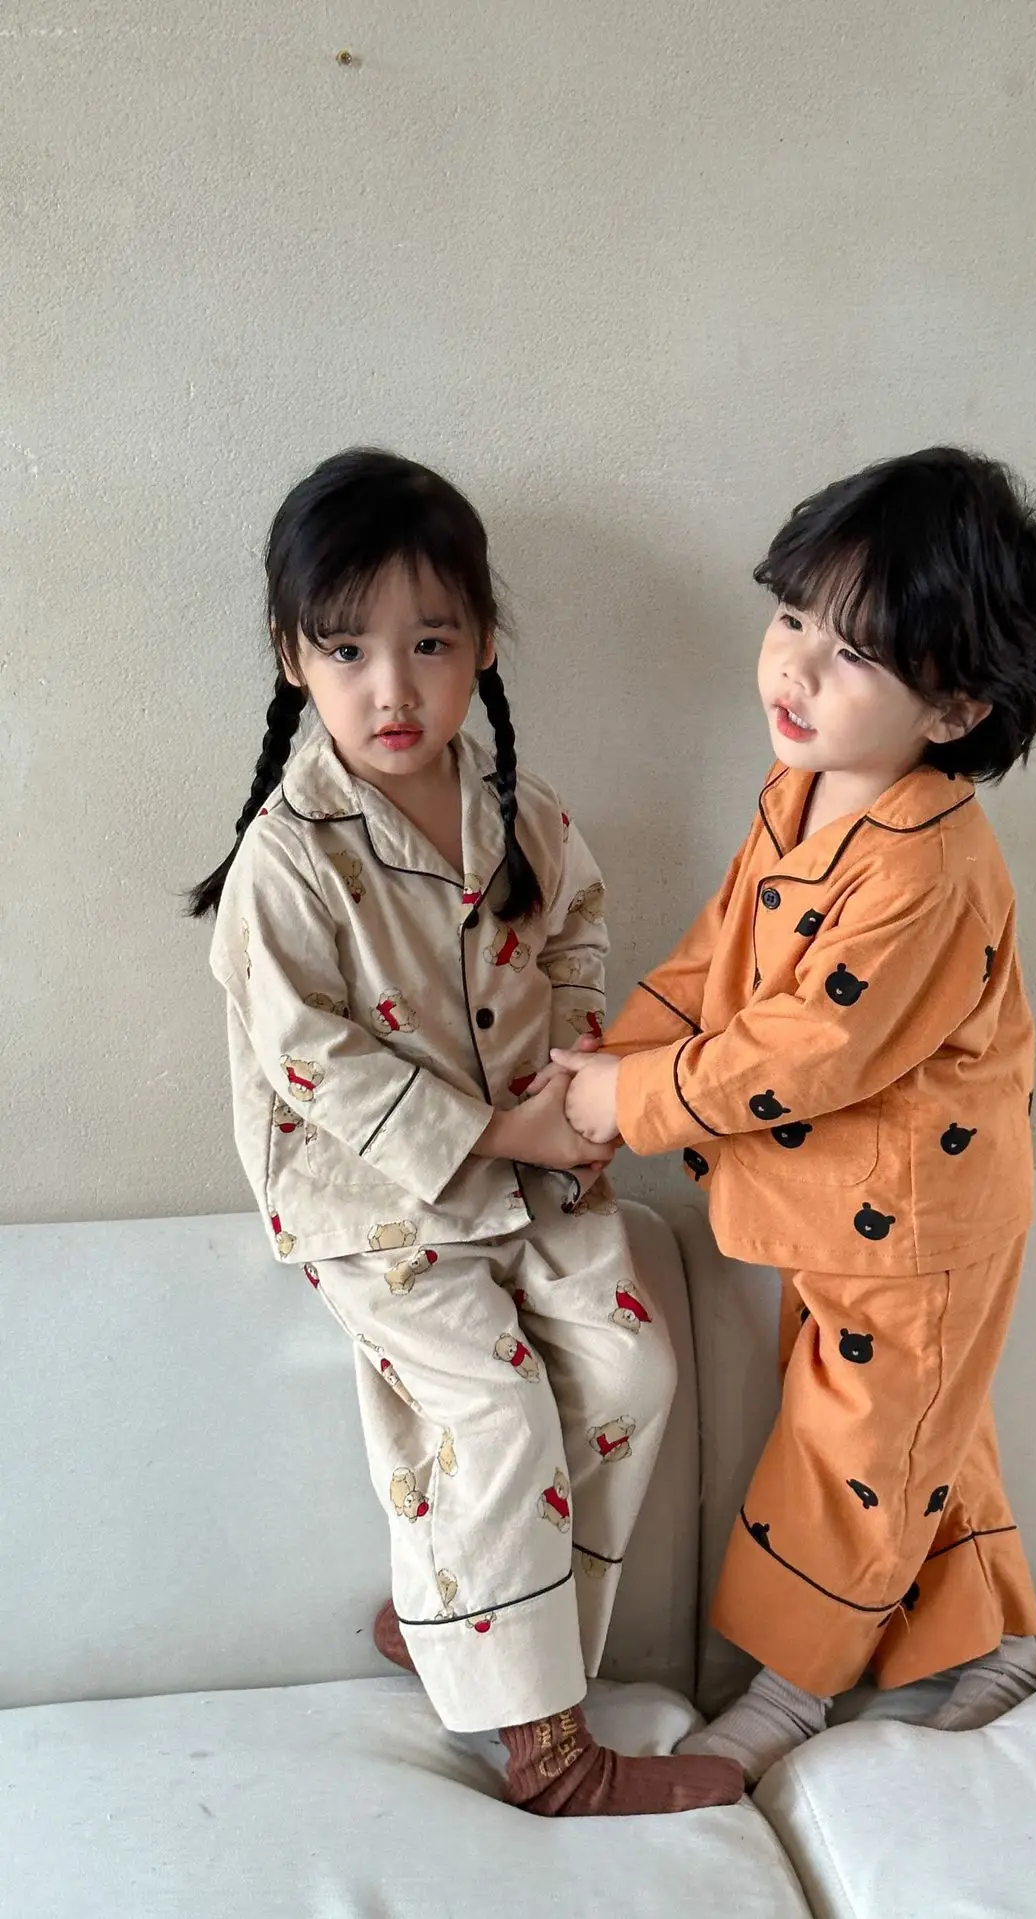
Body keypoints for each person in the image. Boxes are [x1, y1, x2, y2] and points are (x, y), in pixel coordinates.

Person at [190, 448, 743, 1817]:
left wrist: (578, 1068)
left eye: (429, 643)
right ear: (293, 660)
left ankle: (454, 1621)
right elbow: (310, 1057)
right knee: (497, 1408)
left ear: (482, 644)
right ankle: (549, 1747)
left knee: (630, 1370)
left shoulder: (525, 816)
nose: (393, 687)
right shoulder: (288, 859)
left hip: (534, 1166)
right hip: (377, 1202)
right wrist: (505, 1132)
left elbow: (577, 934)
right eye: (349, 649)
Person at [555, 446, 1036, 1782]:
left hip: (921, 1220)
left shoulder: (931, 868)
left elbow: (809, 1049)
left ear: (955, 707)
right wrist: (609, 1063)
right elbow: (718, 959)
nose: (794, 668)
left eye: (852, 653)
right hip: (840, 1211)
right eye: (793, 617)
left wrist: (632, 1100)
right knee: (920, 1430)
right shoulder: (797, 794)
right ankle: (1000, 1641)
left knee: (858, 1448)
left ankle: (793, 1693)